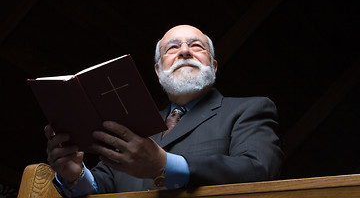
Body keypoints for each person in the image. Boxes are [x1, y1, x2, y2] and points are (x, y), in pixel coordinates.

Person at [45, 25, 284, 197]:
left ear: (213, 66)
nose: (184, 51)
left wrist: (165, 165)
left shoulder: (249, 109)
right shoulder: (132, 124)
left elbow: (259, 169)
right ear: (159, 72)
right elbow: (102, 186)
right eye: (172, 48)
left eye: (196, 46)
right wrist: (75, 174)